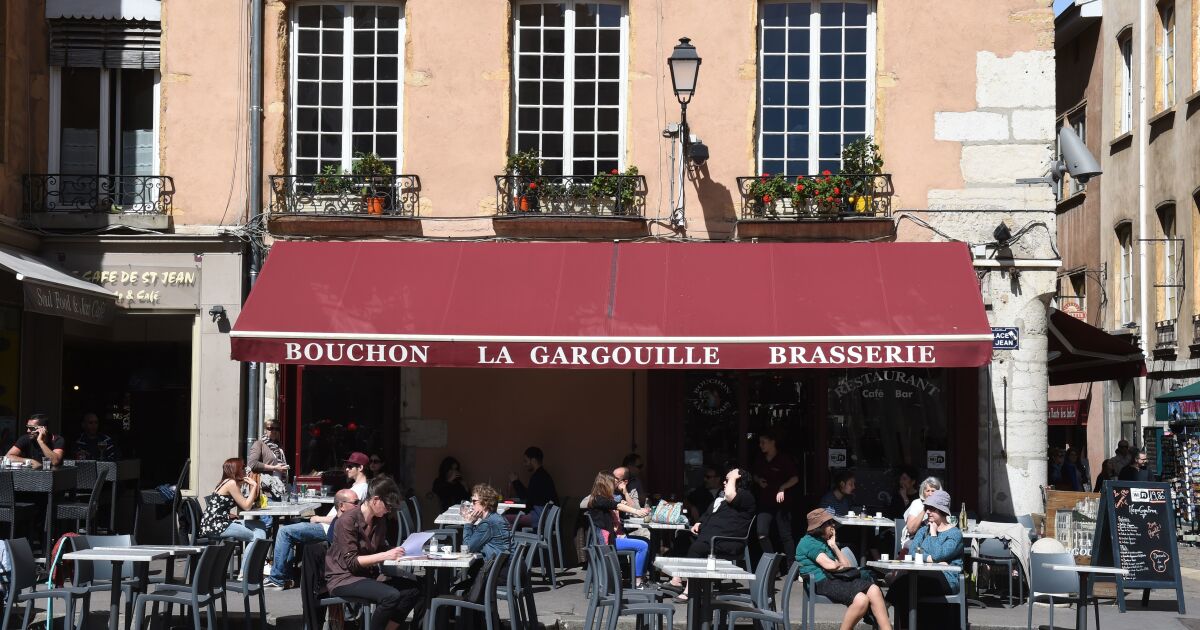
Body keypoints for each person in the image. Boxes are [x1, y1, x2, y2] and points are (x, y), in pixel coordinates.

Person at [326, 475, 424, 630]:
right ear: (375, 499)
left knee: (415, 589)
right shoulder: (347, 521)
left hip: (367, 575)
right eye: (388, 506)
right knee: (390, 596)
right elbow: (352, 562)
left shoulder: (379, 521)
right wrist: (385, 555)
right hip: (344, 578)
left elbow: (379, 549)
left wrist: (403, 552)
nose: (388, 511)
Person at [795, 508, 892, 630]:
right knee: (861, 600)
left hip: (834, 578)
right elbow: (830, 566)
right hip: (820, 582)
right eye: (829, 523)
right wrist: (836, 564)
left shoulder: (825, 541)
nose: (833, 525)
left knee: (874, 589)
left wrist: (834, 546)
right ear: (820, 526)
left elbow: (846, 566)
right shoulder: (809, 543)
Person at [667, 468, 755, 601]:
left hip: (727, 541)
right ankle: (677, 578)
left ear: (738, 481)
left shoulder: (745, 496)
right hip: (711, 537)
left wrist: (733, 476)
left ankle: (691, 589)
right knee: (682, 537)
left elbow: (731, 495)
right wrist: (699, 523)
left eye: (728, 480)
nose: (724, 483)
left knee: (697, 548)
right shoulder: (722, 499)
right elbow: (709, 514)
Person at [886, 490, 964, 629]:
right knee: (907, 585)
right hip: (922, 576)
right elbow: (912, 552)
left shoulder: (954, 534)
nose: (927, 512)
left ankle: (883, 608)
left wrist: (933, 534)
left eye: (932, 509)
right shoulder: (922, 531)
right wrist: (930, 558)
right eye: (927, 508)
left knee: (906, 584)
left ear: (942, 511)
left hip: (947, 579)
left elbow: (938, 554)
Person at [266, 482, 364, 589]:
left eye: (358, 502)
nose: (358, 505)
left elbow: (339, 520)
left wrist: (318, 518)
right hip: (325, 526)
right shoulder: (355, 487)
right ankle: (287, 577)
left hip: (325, 528)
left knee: (284, 531)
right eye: (356, 502)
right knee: (288, 528)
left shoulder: (361, 489)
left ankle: (277, 578)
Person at [584, 471, 652, 586]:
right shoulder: (599, 500)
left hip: (612, 538)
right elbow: (618, 505)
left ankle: (639, 575)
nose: (614, 486)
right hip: (608, 542)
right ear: (606, 484)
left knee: (645, 541)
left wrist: (625, 496)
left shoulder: (604, 498)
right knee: (643, 546)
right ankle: (638, 581)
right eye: (612, 483)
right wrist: (637, 511)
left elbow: (621, 504)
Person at [753, 431, 799, 566]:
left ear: (773, 442)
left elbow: (795, 478)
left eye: (763, 442)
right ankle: (772, 564)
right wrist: (758, 480)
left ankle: (792, 566)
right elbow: (754, 474)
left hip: (781, 502)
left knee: (785, 535)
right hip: (765, 501)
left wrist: (782, 488)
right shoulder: (760, 458)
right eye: (760, 442)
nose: (760, 445)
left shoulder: (783, 459)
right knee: (761, 533)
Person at [198, 458, 267, 546]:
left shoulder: (226, 482)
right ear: (236, 470)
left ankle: (255, 558)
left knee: (260, 525)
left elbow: (242, 504)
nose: (245, 470)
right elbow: (246, 507)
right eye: (242, 468)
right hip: (217, 525)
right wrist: (254, 486)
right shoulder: (231, 483)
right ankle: (252, 559)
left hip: (216, 522)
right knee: (255, 537)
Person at [509, 446, 559, 526]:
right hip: (545, 516)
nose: (524, 464)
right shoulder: (543, 475)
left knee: (505, 518)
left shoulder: (538, 477)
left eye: (526, 461)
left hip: (540, 517)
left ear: (533, 460)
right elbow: (529, 495)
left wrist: (515, 481)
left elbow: (526, 497)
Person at [462, 483, 512, 559]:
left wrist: (468, 524)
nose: (472, 504)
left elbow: (467, 549)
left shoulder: (487, 524)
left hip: (497, 568)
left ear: (485, 504)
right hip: (504, 565)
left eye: (474, 501)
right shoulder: (498, 518)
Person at [900, 476, 942, 550]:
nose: (930, 494)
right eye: (927, 491)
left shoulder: (942, 505)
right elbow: (911, 530)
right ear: (923, 492)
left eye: (933, 491)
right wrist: (924, 509)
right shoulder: (917, 503)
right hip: (914, 540)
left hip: (935, 538)